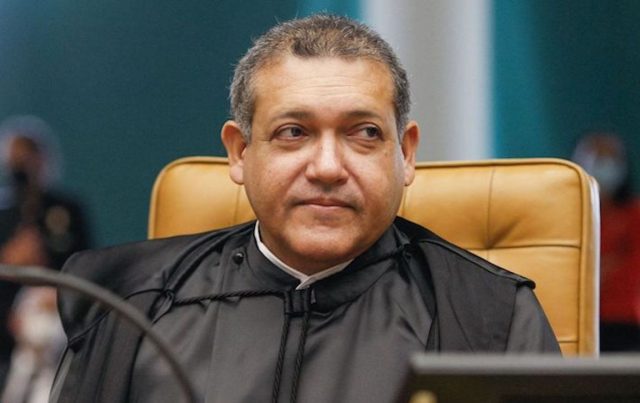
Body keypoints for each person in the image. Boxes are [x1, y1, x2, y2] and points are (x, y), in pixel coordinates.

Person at [50, 15, 559, 403]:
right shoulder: (128, 301)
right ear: (240, 153)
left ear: (405, 155)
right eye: (293, 132)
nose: (328, 167)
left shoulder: (489, 315)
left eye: (364, 133)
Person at [0, 116, 91, 397]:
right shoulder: (4, 216)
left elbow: (88, 265)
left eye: (31, 155)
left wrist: (58, 296)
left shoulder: (67, 210)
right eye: (18, 159)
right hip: (8, 332)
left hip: (58, 322)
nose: (25, 165)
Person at [573, 132, 640, 352]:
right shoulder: (569, 214)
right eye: (596, 157)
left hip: (624, 322)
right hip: (577, 320)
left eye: (609, 158)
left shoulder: (634, 214)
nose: (603, 165)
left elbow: (632, 270)